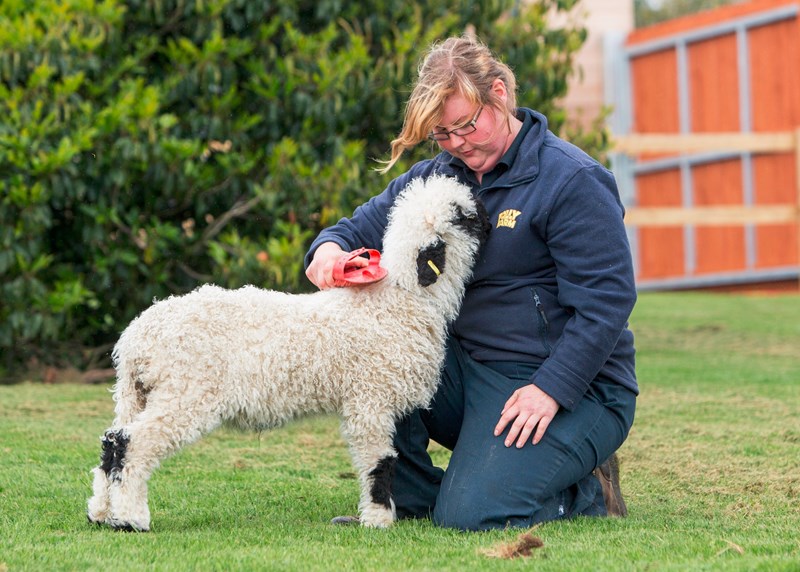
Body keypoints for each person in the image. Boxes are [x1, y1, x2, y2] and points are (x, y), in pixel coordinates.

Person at [304, 35, 637, 531]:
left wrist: (550, 389)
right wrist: (327, 256)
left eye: (465, 125)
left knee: (475, 516)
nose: (457, 143)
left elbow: (607, 305)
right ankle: (411, 494)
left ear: (499, 94)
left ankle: (584, 487)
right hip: (467, 376)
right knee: (376, 344)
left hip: (571, 385)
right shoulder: (436, 176)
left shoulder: (572, 180)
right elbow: (348, 231)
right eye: (442, 135)